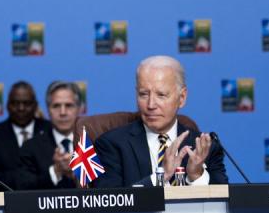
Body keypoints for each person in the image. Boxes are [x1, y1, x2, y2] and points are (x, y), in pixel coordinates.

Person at [95, 56, 228, 188]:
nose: (151, 104)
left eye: (161, 95)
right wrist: (160, 176)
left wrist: (196, 175)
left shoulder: (206, 148)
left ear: (181, 98)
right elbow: (109, 203)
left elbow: (223, 204)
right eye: (143, 94)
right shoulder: (111, 145)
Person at [0, 81, 42, 192]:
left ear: (35, 105)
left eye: (26, 103)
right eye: (15, 103)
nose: (21, 108)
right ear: (7, 105)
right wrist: (18, 178)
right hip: (6, 202)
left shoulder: (49, 130)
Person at [18, 81, 81, 190]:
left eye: (69, 105)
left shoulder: (92, 143)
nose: (63, 112)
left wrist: (80, 172)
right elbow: (24, 189)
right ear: (48, 110)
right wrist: (56, 170)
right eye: (56, 106)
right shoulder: (31, 148)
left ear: (79, 109)